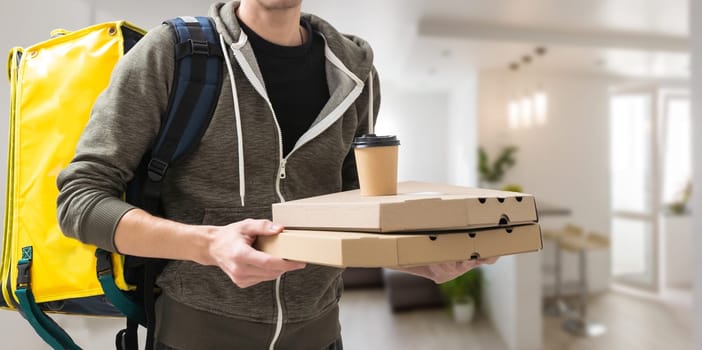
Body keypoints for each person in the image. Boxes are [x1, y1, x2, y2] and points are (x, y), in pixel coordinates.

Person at [56, 1, 494, 349]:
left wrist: (413, 256)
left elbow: (346, 210)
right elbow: (79, 201)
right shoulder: (174, 53)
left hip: (320, 334)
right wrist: (209, 245)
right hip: (196, 333)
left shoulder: (356, 75)